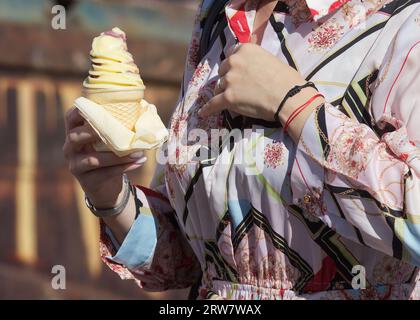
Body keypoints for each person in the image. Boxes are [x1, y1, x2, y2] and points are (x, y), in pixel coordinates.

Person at [63, 0, 420, 300]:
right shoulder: (216, 17)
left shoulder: (400, 22)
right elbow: (197, 257)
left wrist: (295, 107)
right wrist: (110, 193)